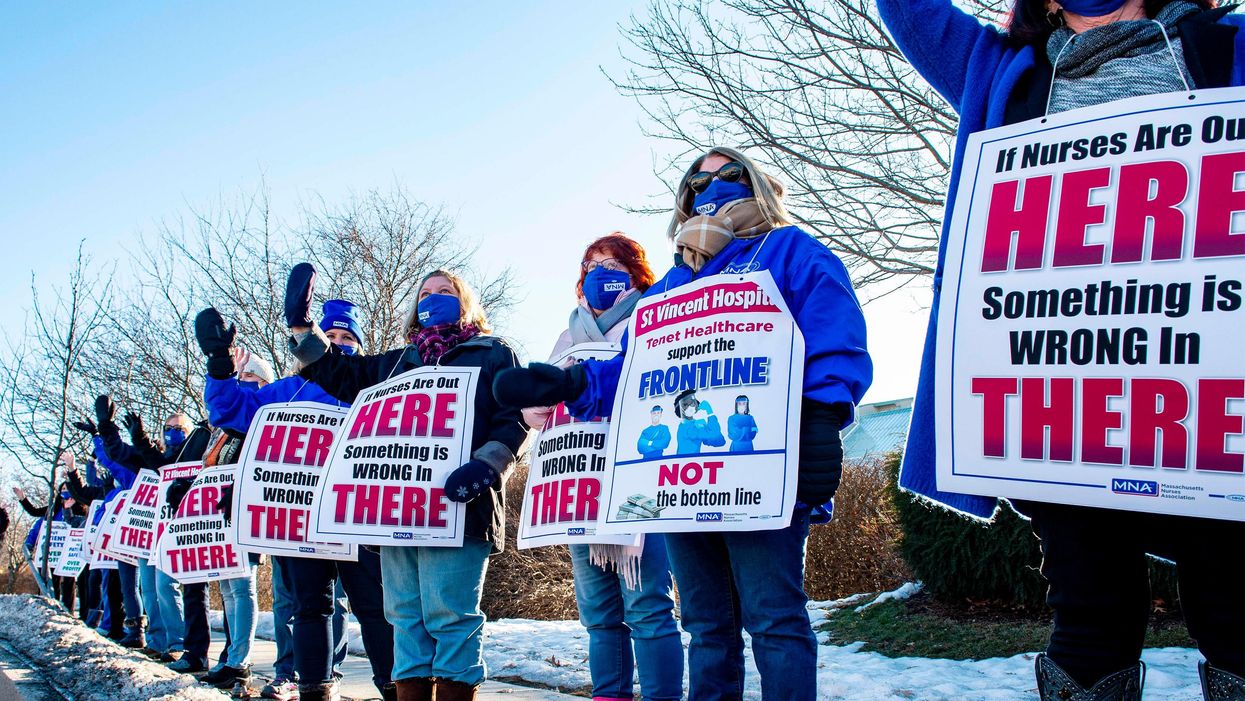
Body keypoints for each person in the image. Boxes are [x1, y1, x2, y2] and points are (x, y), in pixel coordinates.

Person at [876, 0, 1245, 696]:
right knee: (1089, 617)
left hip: (1208, 397)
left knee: (1234, 608)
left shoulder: (1226, 45)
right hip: (1065, 408)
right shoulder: (996, 72)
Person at [495, 147, 871, 700]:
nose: (712, 187)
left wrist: (821, 416)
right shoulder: (675, 282)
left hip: (761, 472)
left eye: (730, 175)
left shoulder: (791, 249)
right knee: (707, 628)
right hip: (680, 481)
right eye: (698, 180)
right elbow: (640, 364)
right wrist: (574, 384)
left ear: (759, 184)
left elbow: (834, 334)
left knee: (775, 622)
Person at [285, 263, 526, 701]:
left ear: (464, 300)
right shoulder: (399, 361)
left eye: (445, 289)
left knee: (449, 615)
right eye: (425, 291)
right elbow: (340, 372)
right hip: (400, 510)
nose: (433, 296)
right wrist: (305, 330)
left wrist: (489, 465)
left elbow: (514, 417)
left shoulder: (492, 352)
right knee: (404, 617)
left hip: (462, 507)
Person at [195, 300, 394, 701]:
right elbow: (230, 411)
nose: (337, 343)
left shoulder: (373, 389)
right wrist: (219, 363)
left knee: (375, 606)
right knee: (309, 606)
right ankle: (314, 688)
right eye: (330, 335)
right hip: (299, 516)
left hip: (357, 515)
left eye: (346, 338)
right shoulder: (288, 390)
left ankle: (393, 688)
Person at [521, 234, 683, 701]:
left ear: (635, 271)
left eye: (611, 262)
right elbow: (539, 415)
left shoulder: (657, 316)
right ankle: (610, 694)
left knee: (648, 606)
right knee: (598, 612)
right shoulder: (568, 334)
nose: (600, 271)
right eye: (591, 264)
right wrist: (531, 399)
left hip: (640, 486)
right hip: (579, 487)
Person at [672, 390, 724, 455]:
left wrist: (707, 429)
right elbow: (714, 433)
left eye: (692, 403)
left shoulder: (697, 424)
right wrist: (710, 413)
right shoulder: (686, 428)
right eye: (685, 405)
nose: (690, 406)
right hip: (684, 462)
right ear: (679, 409)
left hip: (694, 462)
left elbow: (719, 442)